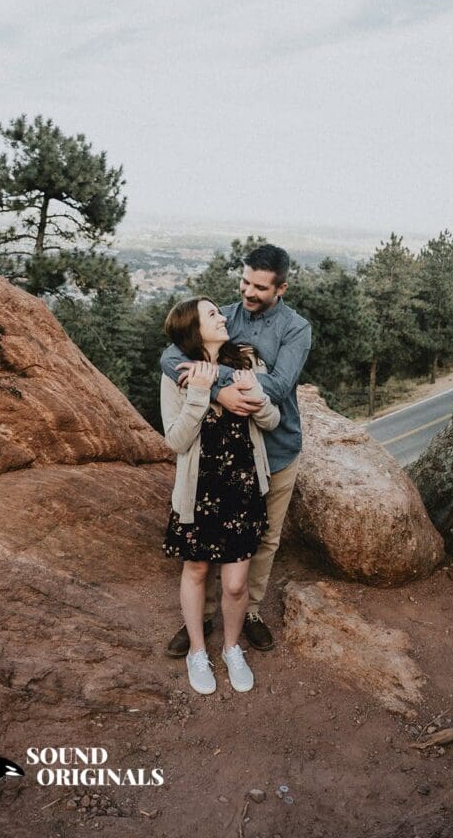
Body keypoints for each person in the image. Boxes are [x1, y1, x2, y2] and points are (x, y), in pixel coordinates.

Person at [161, 244, 312, 656]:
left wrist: (216, 380)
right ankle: (205, 615)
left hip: (276, 448)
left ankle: (252, 611)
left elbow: (279, 388)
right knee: (209, 541)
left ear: (281, 288)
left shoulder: (296, 328)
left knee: (263, 539)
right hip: (223, 456)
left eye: (259, 287)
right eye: (244, 281)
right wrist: (218, 391)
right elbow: (170, 355)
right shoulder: (223, 315)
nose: (248, 292)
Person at [160, 296, 280, 696]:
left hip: (242, 487)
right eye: (212, 313)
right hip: (199, 491)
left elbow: (272, 419)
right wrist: (198, 393)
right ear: (194, 328)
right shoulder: (177, 372)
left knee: (234, 583)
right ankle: (198, 650)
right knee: (196, 570)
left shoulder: (247, 361)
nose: (222, 316)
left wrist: (256, 395)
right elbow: (176, 440)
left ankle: (231, 649)